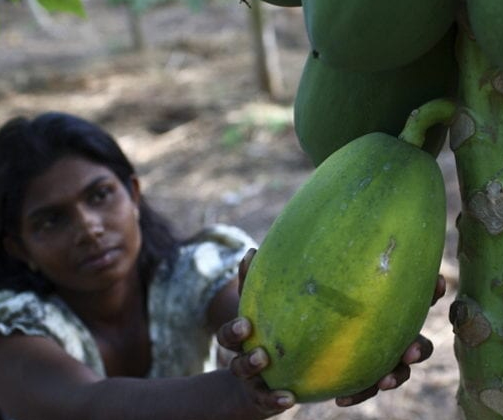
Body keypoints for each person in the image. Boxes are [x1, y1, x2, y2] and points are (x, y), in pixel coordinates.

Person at [0, 112, 445, 420]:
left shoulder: (192, 271)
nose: (89, 228)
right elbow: (86, 408)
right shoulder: (13, 327)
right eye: (51, 220)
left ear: (133, 194)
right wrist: (240, 397)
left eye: (100, 196)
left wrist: (358, 326)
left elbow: (263, 325)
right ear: (18, 247)